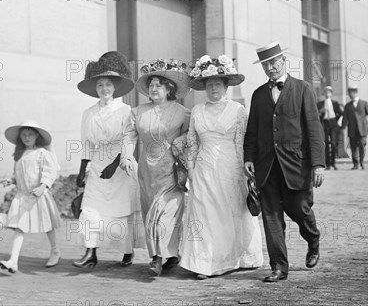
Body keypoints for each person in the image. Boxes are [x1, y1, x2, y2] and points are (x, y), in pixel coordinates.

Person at [243, 41, 325, 283]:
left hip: (296, 166)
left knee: (300, 209)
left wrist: (318, 164)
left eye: (273, 63)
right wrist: (248, 158)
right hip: (266, 166)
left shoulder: (303, 89)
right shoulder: (258, 95)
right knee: (271, 217)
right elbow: (252, 132)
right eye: (265, 64)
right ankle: (279, 266)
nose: (270, 68)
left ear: (283, 61)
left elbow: (314, 129)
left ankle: (313, 239)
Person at [179, 55, 264, 280]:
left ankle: (238, 257)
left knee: (231, 212)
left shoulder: (238, 110)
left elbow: (242, 142)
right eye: (209, 84)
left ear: (226, 85)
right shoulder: (197, 111)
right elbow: (192, 142)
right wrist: (190, 168)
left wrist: (244, 172)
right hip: (204, 168)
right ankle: (205, 263)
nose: (213, 88)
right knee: (204, 214)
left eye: (218, 83)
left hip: (230, 167)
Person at [73, 51, 144, 269]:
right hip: (97, 164)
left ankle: (127, 251)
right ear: (96, 89)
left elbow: (128, 139)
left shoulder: (124, 111)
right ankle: (90, 251)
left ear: (114, 88)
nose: (104, 89)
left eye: (108, 85)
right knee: (90, 209)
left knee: (120, 211)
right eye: (100, 85)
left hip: (120, 164)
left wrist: (116, 165)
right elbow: (86, 143)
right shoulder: (88, 113)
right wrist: (82, 170)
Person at [121, 59, 191, 276]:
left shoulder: (183, 112)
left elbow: (191, 136)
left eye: (158, 85)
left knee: (165, 212)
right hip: (147, 170)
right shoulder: (137, 112)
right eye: (150, 85)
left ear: (168, 88)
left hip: (172, 168)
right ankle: (166, 254)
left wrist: (182, 141)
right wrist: (126, 156)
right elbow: (128, 136)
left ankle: (158, 258)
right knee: (150, 211)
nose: (153, 89)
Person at [0, 120, 61, 273]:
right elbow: (19, 175)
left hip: (38, 195)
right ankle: (13, 261)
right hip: (23, 196)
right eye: (24, 135)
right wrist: (11, 180)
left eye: (30, 135)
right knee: (19, 227)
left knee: (48, 225)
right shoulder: (20, 155)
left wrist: (43, 186)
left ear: (36, 137)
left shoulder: (42, 153)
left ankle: (55, 250)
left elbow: (50, 171)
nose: (27, 138)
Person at [341, 85, 368, 170]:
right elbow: (345, 117)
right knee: (353, 147)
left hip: (362, 129)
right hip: (352, 129)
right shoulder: (347, 106)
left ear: (355, 92)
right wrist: (343, 127)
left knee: (362, 146)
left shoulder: (364, 103)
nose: (349, 94)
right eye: (349, 93)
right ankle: (355, 164)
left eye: (351, 92)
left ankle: (362, 162)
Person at [316, 86, 343, 170]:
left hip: (333, 123)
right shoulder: (320, 104)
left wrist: (337, 122)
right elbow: (316, 114)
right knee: (326, 144)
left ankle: (333, 163)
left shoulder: (335, 103)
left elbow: (340, 113)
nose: (327, 94)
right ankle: (327, 164)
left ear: (331, 94)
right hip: (324, 123)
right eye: (326, 92)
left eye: (329, 92)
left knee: (334, 143)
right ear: (324, 94)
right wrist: (321, 111)